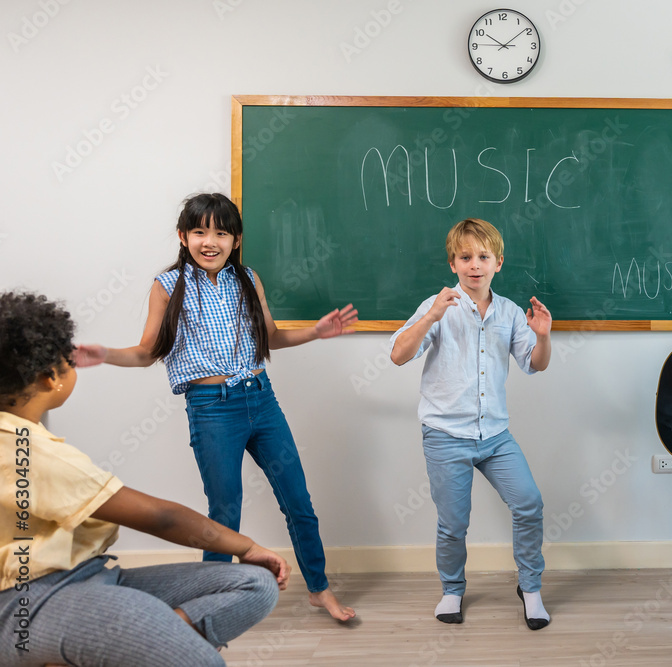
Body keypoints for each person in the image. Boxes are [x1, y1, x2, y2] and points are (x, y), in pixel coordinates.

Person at [74, 193, 357, 622]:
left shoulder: (248, 279)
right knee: (225, 510)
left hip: (261, 400)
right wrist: (106, 353)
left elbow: (271, 338)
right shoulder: (167, 286)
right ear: (183, 236)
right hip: (211, 408)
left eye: (221, 233)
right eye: (200, 231)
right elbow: (147, 352)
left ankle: (319, 589)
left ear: (236, 239)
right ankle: (212, 601)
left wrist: (315, 333)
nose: (211, 241)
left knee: (298, 500)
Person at [0, 290, 288, 666]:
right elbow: (159, 516)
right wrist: (246, 547)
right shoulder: (29, 450)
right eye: (66, 360)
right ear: (49, 377)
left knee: (254, 584)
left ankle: (145, 643)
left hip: (90, 577)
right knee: (204, 662)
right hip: (35, 602)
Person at [389, 218, 553, 629]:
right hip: (446, 435)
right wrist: (430, 317)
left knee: (529, 503)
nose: (474, 265)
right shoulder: (438, 305)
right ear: (453, 263)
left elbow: (534, 365)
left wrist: (544, 337)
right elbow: (397, 354)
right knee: (454, 523)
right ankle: (452, 589)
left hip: (495, 436)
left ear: (499, 262)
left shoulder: (511, 312)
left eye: (483, 257)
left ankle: (530, 588)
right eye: (465, 257)